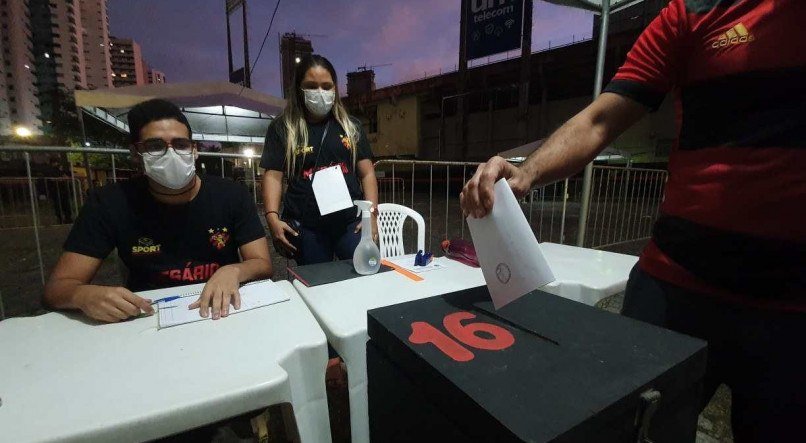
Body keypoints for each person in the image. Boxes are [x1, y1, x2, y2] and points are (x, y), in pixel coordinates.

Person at [461, 0, 805, 440]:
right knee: (626, 427)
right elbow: (601, 119)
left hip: (794, 310)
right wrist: (524, 171)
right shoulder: (694, 11)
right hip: (676, 286)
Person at [44, 99, 273, 323]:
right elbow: (57, 287)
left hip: (222, 310)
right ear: (136, 153)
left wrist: (233, 270)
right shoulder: (109, 202)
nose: (171, 154)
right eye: (155, 146)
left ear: (194, 150)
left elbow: (262, 263)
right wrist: (83, 295)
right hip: (149, 316)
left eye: (181, 144)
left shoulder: (231, 195)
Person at [260, 54, 378, 265]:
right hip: (308, 227)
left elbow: (367, 173)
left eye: (326, 86)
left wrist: (372, 216)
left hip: (349, 223)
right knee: (316, 284)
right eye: (311, 86)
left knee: (361, 277)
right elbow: (273, 176)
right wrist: (272, 217)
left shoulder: (351, 126)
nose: (320, 92)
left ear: (335, 89)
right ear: (298, 88)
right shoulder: (283, 128)